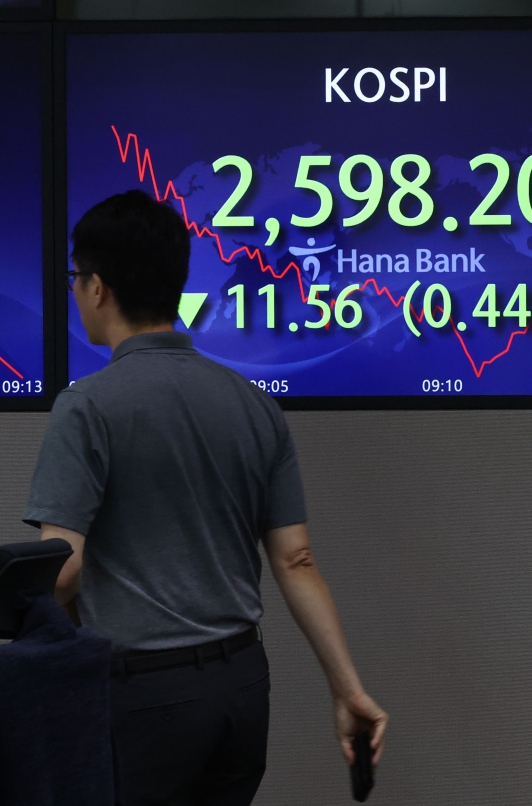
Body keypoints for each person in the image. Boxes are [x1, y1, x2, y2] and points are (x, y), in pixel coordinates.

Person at [22, 190, 388, 806]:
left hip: (143, 701)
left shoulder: (86, 406)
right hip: (242, 693)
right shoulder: (253, 404)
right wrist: (348, 690)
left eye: (74, 277)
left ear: (98, 287)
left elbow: (63, 569)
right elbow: (296, 561)